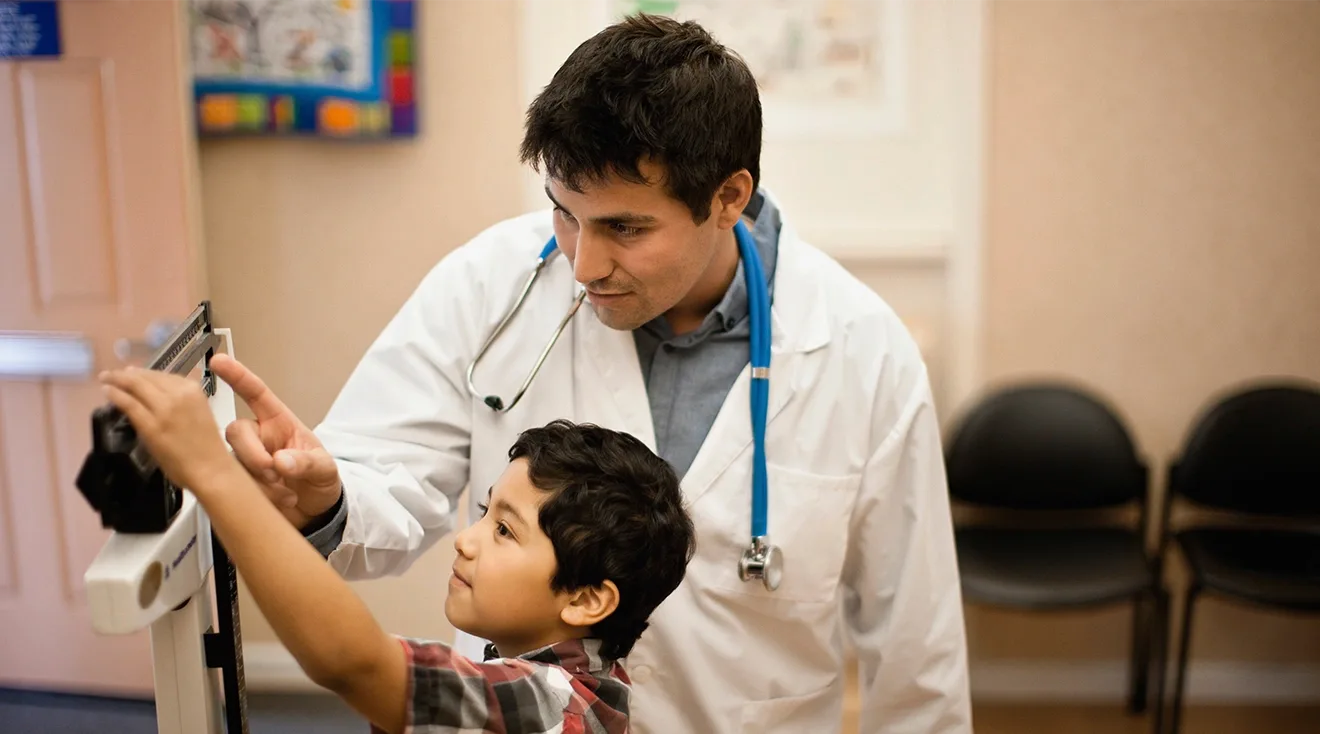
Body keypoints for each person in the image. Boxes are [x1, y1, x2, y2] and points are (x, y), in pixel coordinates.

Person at [212, 13, 972, 733]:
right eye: (564, 213)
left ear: (728, 198)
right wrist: (328, 496)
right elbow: (384, 480)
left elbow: (915, 646)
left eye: (625, 228)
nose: (582, 263)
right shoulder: (488, 287)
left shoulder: (861, 349)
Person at [97, 364, 695, 734]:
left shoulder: (552, 703)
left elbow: (353, 663)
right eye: (485, 513)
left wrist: (214, 476)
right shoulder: (577, 674)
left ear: (588, 600)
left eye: (505, 530)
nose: (466, 537)